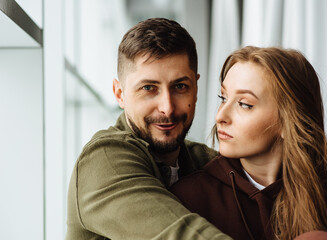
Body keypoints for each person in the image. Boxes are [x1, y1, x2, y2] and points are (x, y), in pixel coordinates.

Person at [65, 18, 231, 239]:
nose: (167, 108)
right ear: (119, 93)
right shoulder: (103, 159)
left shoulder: (204, 160)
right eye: (149, 88)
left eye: (180, 86)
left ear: (196, 88)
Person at [171, 46, 327, 240]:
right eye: (223, 98)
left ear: (289, 122)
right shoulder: (189, 198)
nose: (220, 116)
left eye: (244, 104)